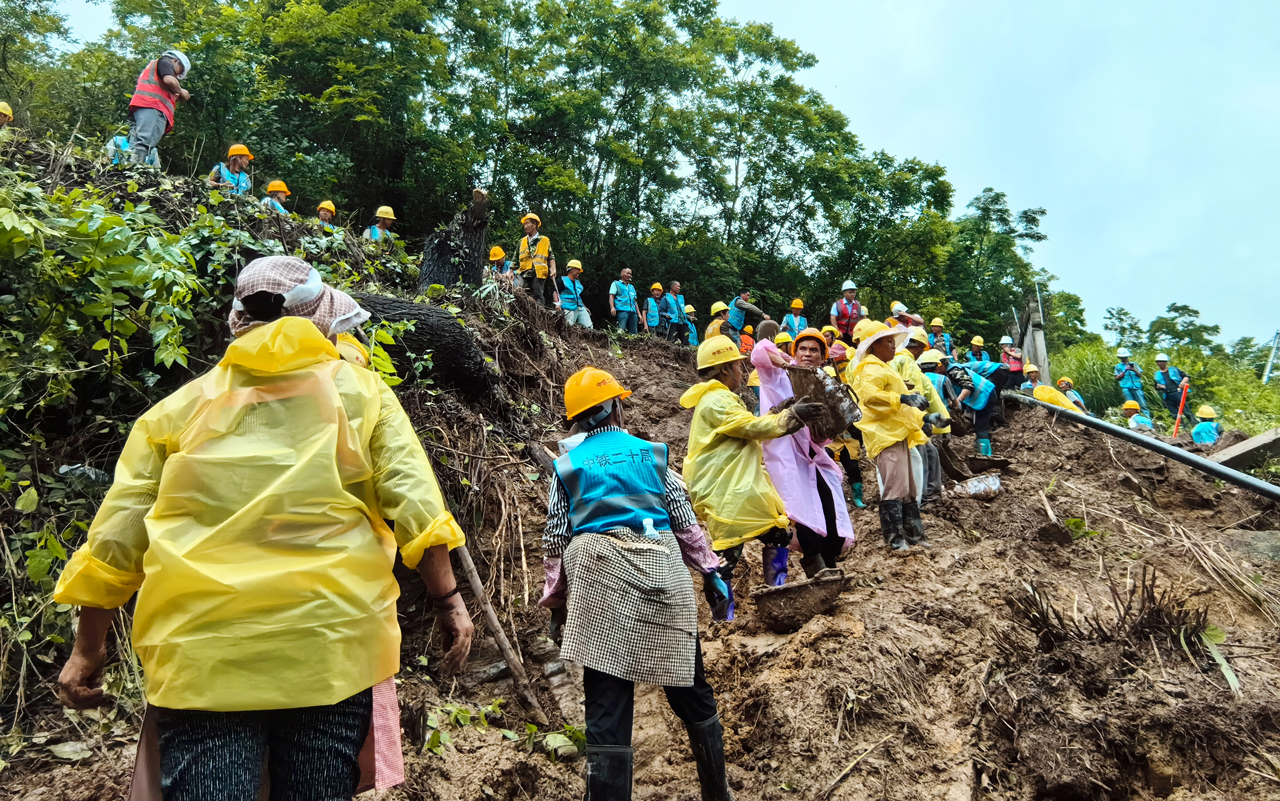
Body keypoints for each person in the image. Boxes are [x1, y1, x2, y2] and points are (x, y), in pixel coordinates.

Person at [54, 256, 474, 800]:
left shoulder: (176, 410)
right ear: (320, 320)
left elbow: (116, 539)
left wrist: (89, 647)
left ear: (237, 322)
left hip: (202, 654)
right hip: (330, 645)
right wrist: (448, 601)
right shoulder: (362, 393)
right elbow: (415, 503)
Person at [540, 367, 732, 801]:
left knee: (607, 704)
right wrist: (711, 572)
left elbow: (556, 540)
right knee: (690, 686)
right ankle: (718, 795)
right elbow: (684, 523)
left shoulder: (566, 466)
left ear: (576, 420)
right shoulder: (653, 453)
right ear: (617, 406)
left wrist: (557, 604)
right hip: (662, 571)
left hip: (599, 579)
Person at [681, 336, 823, 600]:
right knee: (726, 559)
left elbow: (746, 424)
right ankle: (724, 614)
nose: (741, 371)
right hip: (727, 492)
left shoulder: (717, 399)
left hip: (736, 489)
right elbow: (752, 428)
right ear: (724, 369)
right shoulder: (717, 402)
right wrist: (793, 415)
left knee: (778, 533)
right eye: (737, 365)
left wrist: (779, 411)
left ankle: (773, 594)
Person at [752, 329, 856, 577]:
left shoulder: (822, 386)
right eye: (803, 349)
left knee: (829, 510)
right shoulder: (779, 377)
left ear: (823, 358)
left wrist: (822, 436)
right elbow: (759, 351)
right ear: (794, 352)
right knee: (802, 512)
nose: (808, 354)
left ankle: (829, 565)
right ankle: (814, 567)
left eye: (814, 351)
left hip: (813, 457)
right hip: (785, 457)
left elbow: (824, 433)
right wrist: (788, 365)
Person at [847, 322, 940, 552]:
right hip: (884, 436)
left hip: (897, 434)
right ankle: (895, 539)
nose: (893, 346)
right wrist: (902, 399)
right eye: (888, 342)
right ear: (874, 346)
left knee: (907, 488)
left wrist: (925, 419)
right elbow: (869, 396)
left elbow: (902, 409)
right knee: (894, 488)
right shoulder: (870, 368)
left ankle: (914, 535)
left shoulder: (884, 367)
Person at [891, 329, 950, 507]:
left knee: (929, 452)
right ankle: (919, 498)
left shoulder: (912, 366)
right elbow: (902, 391)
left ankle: (930, 493)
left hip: (916, 419)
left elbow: (930, 395)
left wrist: (942, 423)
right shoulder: (901, 360)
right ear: (916, 347)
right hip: (905, 420)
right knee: (920, 456)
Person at [127, 50, 191, 166]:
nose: (176, 76)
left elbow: (161, 88)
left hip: (142, 106)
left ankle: (127, 169)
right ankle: (134, 170)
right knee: (144, 142)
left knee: (135, 142)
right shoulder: (166, 62)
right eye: (178, 71)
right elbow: (169, 80)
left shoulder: (156, 69)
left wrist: (177, 96)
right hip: (153, 107)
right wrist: (182, 91)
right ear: (175, 61)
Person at [944, 354, 999, 457]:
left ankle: (985, 455)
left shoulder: (953, 371)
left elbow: (968, 386)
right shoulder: (948, 372)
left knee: (981, 426)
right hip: (979, 397)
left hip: (985, 395)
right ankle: (983, 447)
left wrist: (958, 402)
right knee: (978, 424)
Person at [516, 213, 558, 307]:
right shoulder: (521, 241)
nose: (525, 226)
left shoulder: (544, 240)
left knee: (538, 295)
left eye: (527, 223)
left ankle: (539, 317)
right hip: (524, 272)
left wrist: (553, 269)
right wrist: (510, 271)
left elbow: (551, 257)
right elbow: (515, 259)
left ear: (534, 225)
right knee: (518, 290)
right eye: (524, 224)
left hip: (538, 273)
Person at [1154, 353, 1194, 422]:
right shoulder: (1157, 374)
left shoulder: (1174, 370)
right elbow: (1156, 386)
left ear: (1166, 362)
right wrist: (1159, 387)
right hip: (1167, 395)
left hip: (1178, 392)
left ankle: (1194, 424)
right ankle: (1182, 427)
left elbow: (1186, 376)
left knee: (1187, 411)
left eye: (1162, 361)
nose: (1160, 363)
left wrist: (1182, 383)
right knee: (1175, 414)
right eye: (1158, 362)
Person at [1113, 347, 1149, 415]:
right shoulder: (1117, 366)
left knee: (1142, 404)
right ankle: (1132, 418)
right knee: (1130, 406)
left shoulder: (1134, 364)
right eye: (1122, 357)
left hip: (1136, 387)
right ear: (1120, 357)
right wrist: (1124, 371)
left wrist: (1134, 370)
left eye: (1125, 357)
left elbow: (1140, 374)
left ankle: (1147, 417)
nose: (1124, 358)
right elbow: (1117, 378)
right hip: (1126, 388)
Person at [559, 260, 591, 328]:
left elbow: (578, 296)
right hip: (568, 308)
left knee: (588, 326)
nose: (579, 272)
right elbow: (555, 293)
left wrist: (584, 306)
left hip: (579, 307)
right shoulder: (562, 281)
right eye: (578, 270)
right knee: (568, 326)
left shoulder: (578, 283)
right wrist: (557, 304)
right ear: (572, 270)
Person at [609, 267, 640, 334]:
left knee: (634, 332)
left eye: (630, 274)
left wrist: (639, 314)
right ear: (622, 274)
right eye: (627, 273)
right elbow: (611, 296)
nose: (629, 275)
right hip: (622, 311)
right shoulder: (616, 284)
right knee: (621, 330)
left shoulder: (631, 287)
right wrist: (612, 307)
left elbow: (635, 301)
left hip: (633, 312)